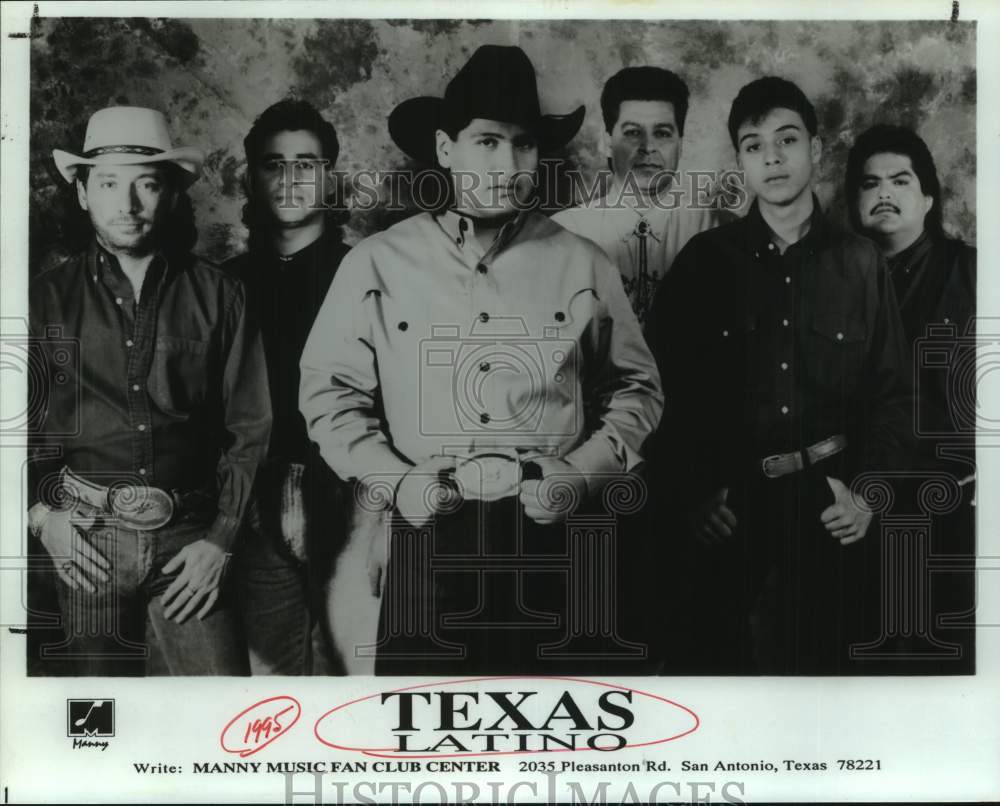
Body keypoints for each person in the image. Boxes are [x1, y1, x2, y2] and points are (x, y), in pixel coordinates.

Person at [300, 45, 663, 675]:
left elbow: (638, 389)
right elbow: (328, 396)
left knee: (558, 741)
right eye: (488, 142)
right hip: (430, 527)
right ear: (446, 149)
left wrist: (579, 475)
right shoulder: (377, 263)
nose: (508, 163)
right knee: (430, 743)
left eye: (523, 144)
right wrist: (397, 480)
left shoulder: (583, 263)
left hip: (557, 533)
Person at [647, 78, 911, 674]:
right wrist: (690, 494)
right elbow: (658, 394)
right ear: (739, 160)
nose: (771, 156)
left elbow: (894, 395)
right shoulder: (704, 263)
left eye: (786, 139)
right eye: (753, 144)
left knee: (827, 684)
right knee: (713, 677)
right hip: (727, 511)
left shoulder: (861, 264)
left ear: (816, 150)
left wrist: (869, 494)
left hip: (831, 505)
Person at [28, 106, 270, 675]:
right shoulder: (43, 298)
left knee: (222, 721)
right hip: (83, 538)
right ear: (83, 193)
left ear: (172, 195)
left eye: (147, 184)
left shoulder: (221, 295)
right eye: (109, 183)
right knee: (98, 726)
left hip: (190, 541)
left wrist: (222, 540)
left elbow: (252, 425)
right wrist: (41, 516)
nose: (128, 203)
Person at [224, 99, 352, 675]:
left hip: (348, 492)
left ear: (330, 175)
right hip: (251, 497)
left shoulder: (369, 272)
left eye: (307, 162)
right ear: (251, 176)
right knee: (271, 685)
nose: (291, 179)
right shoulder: (222, 285)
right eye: (274, 164)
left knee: (349, 675)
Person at [845, 124, 976, 672]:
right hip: (859, 507)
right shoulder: (833, 278)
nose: (884, 193)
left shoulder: (974, 271)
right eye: (870, 183)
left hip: (953, 508)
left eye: (900, 180)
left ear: (927, 197)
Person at [551, 66, 717, 325]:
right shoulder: (564, 232)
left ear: (681, 144)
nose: (647, 148)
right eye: (632, 133)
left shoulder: (717, 227)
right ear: (606, 143)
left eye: (662, 133)